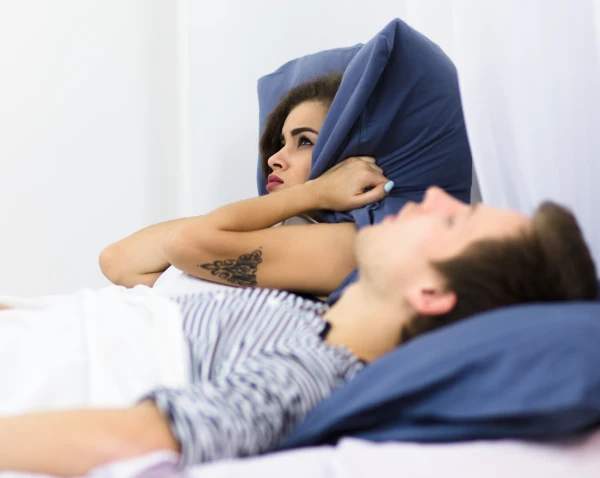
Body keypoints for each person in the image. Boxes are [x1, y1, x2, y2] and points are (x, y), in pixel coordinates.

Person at [0, 186, 597, 476]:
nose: (437, 195)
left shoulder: (313, 372)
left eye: (453, 221)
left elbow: (140, 438)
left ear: (432, 294)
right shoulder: (303, 314)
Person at [100, 73, 393, 299]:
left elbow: (182, 244)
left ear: (344, 157)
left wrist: (316, 192)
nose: (275, 159)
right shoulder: (261, 232)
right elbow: (118, 261)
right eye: (281, 143)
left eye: (304, 141)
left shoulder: (345, 241)